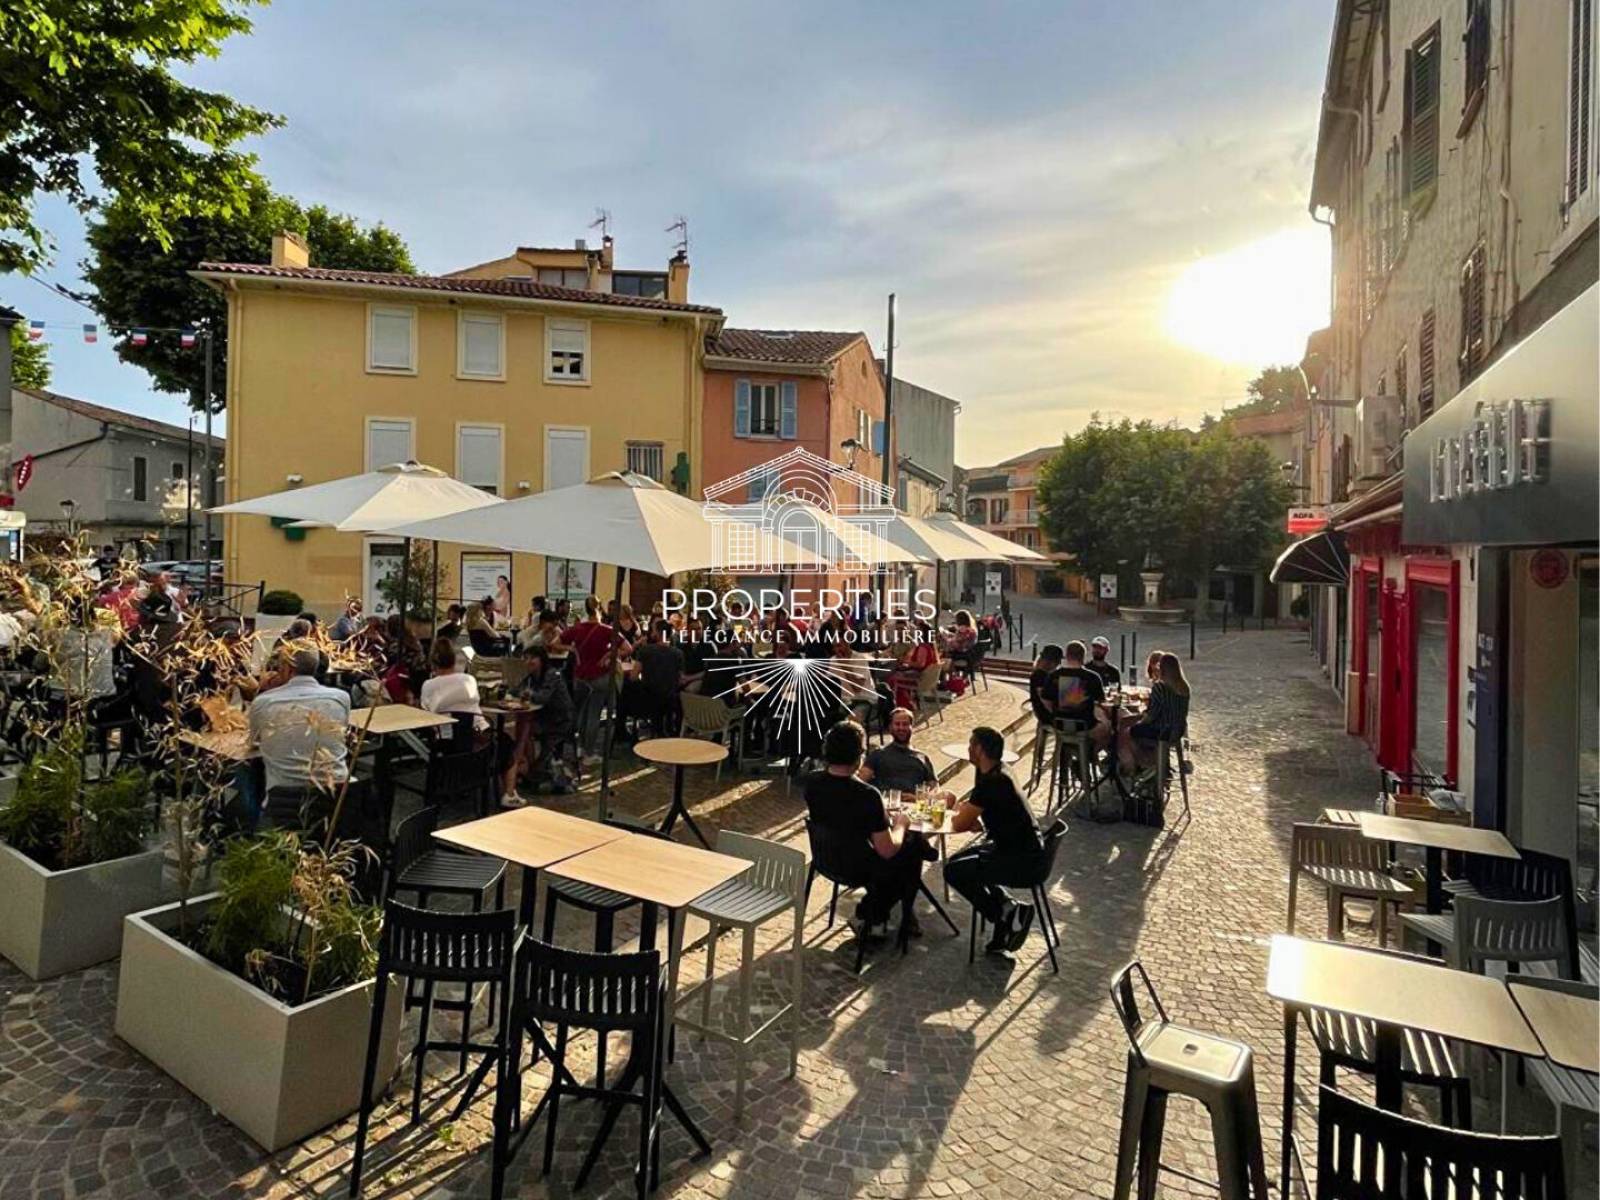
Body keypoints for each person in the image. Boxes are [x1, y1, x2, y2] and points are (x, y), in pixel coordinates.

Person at [803, 720, 927, 934]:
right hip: (856, 866)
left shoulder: (812, 783)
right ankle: (870, 916)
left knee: (910, 852)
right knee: (910, 858)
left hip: (825, 857)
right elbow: (887, 849)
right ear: (859, 756)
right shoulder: (867, 795)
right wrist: (901, 824)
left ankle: (878, 917)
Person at [944, 727, 1044, 955]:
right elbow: (979, 815)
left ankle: (1003, 915)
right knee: (959, 860)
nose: (968, 749)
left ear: (979, 749)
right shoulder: (998, 771)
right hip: (1018, 847)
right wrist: (971, 816)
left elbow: (960, 823)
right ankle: (1008, 909)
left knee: (953, 871)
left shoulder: (993, 781)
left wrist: (962, 813)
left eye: (971, 745)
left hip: (1021, 858)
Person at [247, 644, 353, 829]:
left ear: (287, 668)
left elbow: (254, 742)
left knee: (245, 774)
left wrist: (261, 691)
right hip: (337, 797)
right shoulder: (341, 698)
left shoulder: (264, 702)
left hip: (284, 800)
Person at [1122, 652, 1190, 774]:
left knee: (1127, 732)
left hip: (1162, 731)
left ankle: (1145, 764)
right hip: (1178, 730)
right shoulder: (1184, 687)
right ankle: (1155, 763)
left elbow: (1152, 715)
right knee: (1136, 729)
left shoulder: (1160, 687)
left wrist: (1139, 722)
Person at [566, 595, 616, 758]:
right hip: (599, 677)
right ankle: (589, 752)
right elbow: (627, 648)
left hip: (580, 676)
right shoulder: (607, 630)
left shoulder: (578, 628)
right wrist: (607, 655)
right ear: (600, 608)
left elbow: (553, 642)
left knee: (582, 712)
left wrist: (572, 649)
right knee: (594, 715)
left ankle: (580, 747)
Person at [859, 708, 937, 794]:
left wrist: (916, 798)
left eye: (905, 724)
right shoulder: (878, 754)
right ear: (890, 727)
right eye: (897, 724)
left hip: (914, 804)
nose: (901, 728)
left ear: (912, 727)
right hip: (886, 803)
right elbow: (860, 781)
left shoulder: (922, 758)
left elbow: (934, 789)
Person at [627, 619, 685, 734]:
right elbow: (680, 679)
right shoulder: (678, 653)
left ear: (658, 633)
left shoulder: (645, 651)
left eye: (653, 630)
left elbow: (633, 676)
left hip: (649, 698)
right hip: (670, 699)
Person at [418, 636, 486, 732]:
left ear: (433, 663)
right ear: (454, 660)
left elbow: (426, 712)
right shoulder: (469, 680)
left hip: (444, 737)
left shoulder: (428, 685)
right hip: (475, 735)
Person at [1054, 640, 1110, 750]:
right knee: (1108, 728)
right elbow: (1101, 701)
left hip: (1059, 725)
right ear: (1083, 656)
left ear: (1067, 656)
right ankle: (1088, 756)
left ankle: (1079, 754)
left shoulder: (1053, 676)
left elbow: (1047, 700)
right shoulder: (1093, 677)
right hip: (1085, 725)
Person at [1028, 643, 1064, 724]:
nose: (1059, 664)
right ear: (1053, 662)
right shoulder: (1039, 676)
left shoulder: (1043, 674)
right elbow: (1044, 699)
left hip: (1046, 714)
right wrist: (1059, 715)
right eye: (1059, 661)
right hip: (1047, 716)